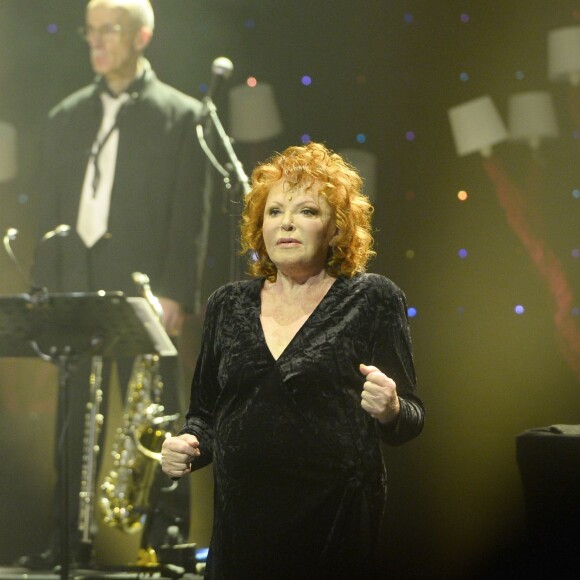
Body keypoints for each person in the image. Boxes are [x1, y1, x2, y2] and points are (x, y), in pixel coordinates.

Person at [161, 142, 425, 579]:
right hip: (242, 523)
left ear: (337, 230)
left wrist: (392, 408)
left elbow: (411, 418)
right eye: (274, 211)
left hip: (333, 521)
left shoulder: (372, 298)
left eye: (307, 211)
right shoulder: (228, 304)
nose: (286, 223)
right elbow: (205, 415)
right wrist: (186, 447)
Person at [23, 0, 206, 568]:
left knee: (156, 417)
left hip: (144, 287)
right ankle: (65, 542)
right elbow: (52, 210)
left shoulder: (182, 114)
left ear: (142, 36)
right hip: (77, 287)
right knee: (75, 420)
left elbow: (189, 214)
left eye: (110, 30)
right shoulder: (67, 115)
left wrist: (176, 291)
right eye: (91, 31)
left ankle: (165, 540)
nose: (97, 42)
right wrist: (46, 289)